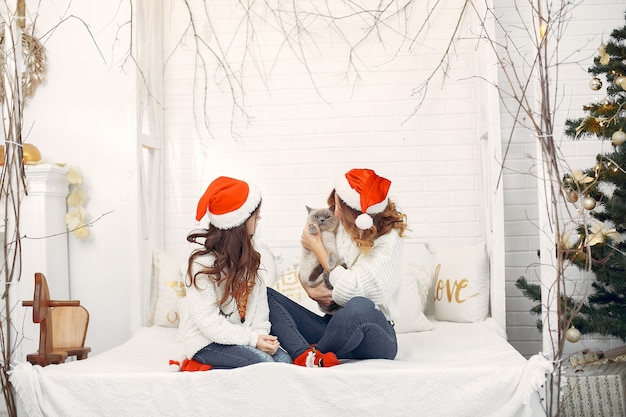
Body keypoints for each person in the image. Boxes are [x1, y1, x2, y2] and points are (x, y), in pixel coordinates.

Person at [267, 168, 408, 367]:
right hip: (335, 326)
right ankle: (304, 355)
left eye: (340, 206)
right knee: (265, 295)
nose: (336, 211)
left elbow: (357, 292)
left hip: (374, 332)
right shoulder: (339, 225)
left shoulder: (389, 239)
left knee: (359, 307)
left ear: (355, 213)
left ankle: (317, 351)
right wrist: (309, 288)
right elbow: (309, 270)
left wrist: (319, 249)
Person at [180, 176, 292, 369]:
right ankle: (198, 364)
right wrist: (252, 340)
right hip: (205, 341)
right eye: (255, 215)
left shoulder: (250, 259)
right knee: (263, 363)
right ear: (240, 221)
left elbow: (259, 309)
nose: (259, 219)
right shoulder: (201, 264)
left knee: (284, 361)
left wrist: (261, 337)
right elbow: (208, 322)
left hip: (240, 336)